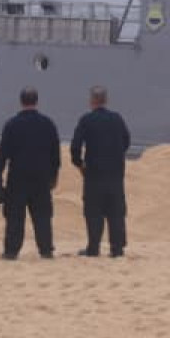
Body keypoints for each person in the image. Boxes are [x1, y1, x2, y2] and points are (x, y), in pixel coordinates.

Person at [0, 87, 59, 259]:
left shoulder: (12, 125)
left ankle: (11, 251)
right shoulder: (48, 124)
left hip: (18, 178)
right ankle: (46, 250)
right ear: (36, 101)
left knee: (15, 217)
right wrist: (53, 176)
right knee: (43, 217)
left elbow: (2, 154)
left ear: (21, 101)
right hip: (41, 178)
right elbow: (56, 154)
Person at [69, 84, 130, 257]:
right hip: (115, 175)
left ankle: (93, 247)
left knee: (93, 212)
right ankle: (116, 249)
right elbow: (126, 141)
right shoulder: (117, 119)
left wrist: (80, 165)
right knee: (116, 212)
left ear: (92, 101)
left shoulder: (86, 120)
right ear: (106, 100)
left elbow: (75, 147)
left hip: (94, 174)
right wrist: (116, 158)